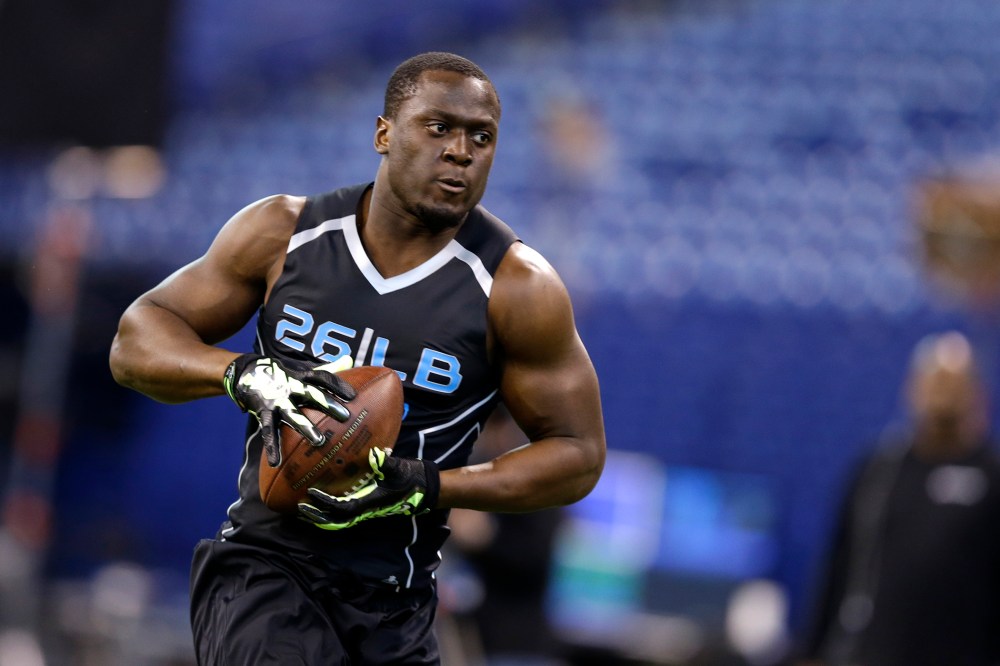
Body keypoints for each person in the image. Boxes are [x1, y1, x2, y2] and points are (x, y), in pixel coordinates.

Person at [109, 51, 606, 665]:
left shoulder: (516, 288)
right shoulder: (285, 232)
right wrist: (241, 373)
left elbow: (579, 456)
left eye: (481, 137)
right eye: (439, 127)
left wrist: (430, 486)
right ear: (384, 133)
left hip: (397, 599)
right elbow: (135, 341)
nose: (461, 151)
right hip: (266, 568)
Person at [797, 331, 1000, 666]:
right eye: (936, 381)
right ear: (913, 388)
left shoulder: (991, 477)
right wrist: (814, 650)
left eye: (954, 382)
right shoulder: (880, 471)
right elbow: (839, 563)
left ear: (977, 393)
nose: (944, 393)